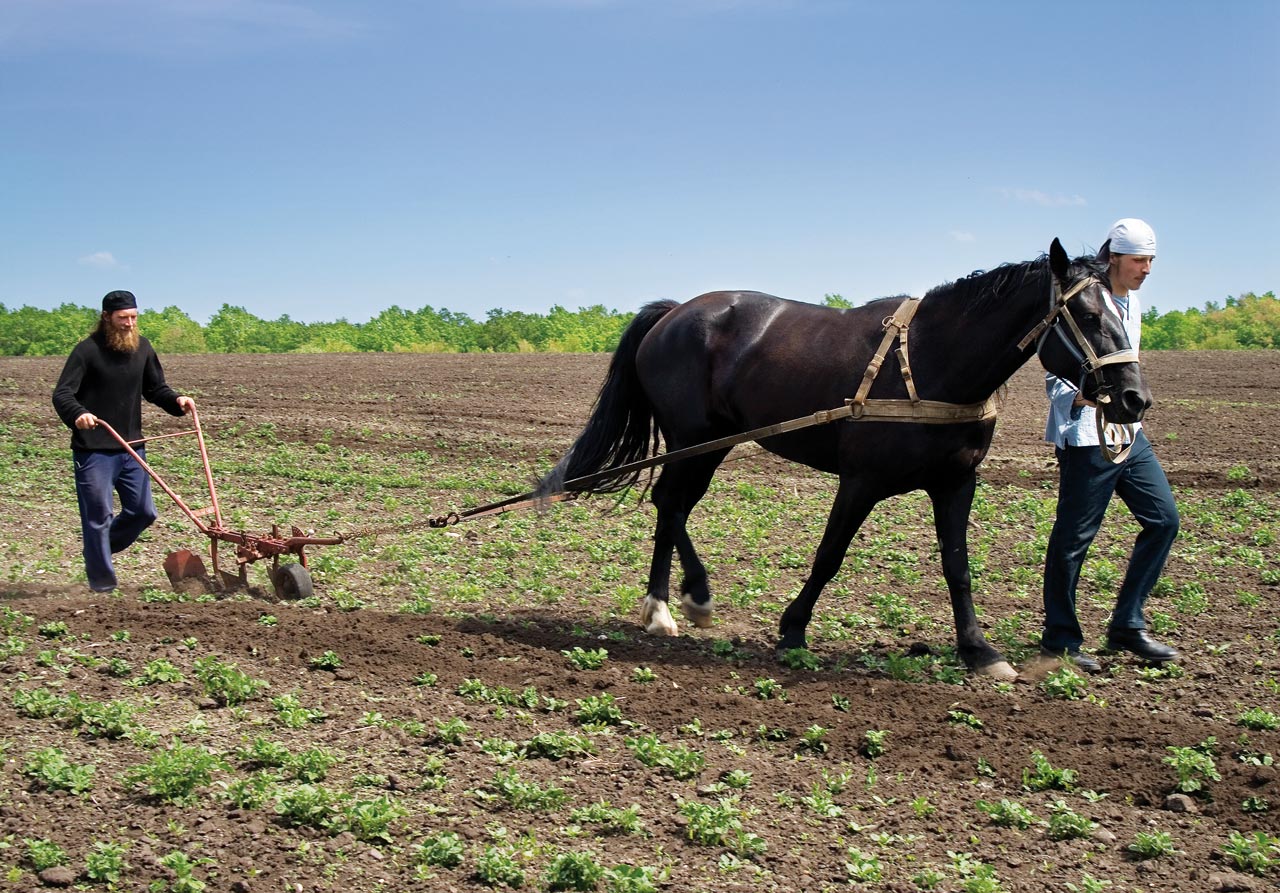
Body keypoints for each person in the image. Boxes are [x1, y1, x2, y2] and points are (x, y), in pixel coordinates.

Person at [1039, 219, 1180, 673]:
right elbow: (1057, 367)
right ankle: (1060, 640)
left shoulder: (1133, 304)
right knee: (1074, 539)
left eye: (1151, 260)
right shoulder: (1084, 297)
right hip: (1086, 437)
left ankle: (1126, 625)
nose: (1147, 269)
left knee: (1163, 521)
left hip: (1128, 434)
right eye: (1140, 259)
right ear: (1115, 258)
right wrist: (1082, 395)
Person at [52, 290, 195, 592]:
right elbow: (62, 393)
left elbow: (156, 389)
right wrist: (79, 414)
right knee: (98, 517)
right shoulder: (86, 351)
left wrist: (177, 401)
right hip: (94, 451)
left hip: (131, 447)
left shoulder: (142, 348)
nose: (129, 324)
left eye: (133, 317)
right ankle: (102, 586)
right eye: (122, 318)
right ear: (106, 318)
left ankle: (97, 552)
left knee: (143, 512)